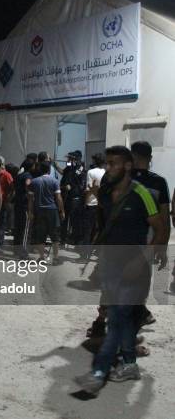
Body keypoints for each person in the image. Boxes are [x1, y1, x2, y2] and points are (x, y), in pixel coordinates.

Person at [75, 146, 167, 395]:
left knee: (117, 319)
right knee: (121, 318)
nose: (108, 168)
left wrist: (144, 259)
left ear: (128, 166)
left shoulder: (143, 193)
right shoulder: (106, 191)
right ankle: (129, 365)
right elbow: (104, 219)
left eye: (113, 163)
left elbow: (160, 228)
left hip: (134, 265)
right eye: (107, 163)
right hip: (111, 263)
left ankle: (98, 372)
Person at [27, 161, 65, 265]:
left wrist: (30, 212)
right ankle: (56, 258)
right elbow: (58, 198)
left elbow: (30, 199)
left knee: (40, 235)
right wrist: (62, 211)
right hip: (52, 210)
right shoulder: (54, 181)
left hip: (38, 210)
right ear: (49, 170)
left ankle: (42, 257)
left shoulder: (33, 182)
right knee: (54, 235)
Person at [81, 153, 106, 260]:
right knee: (99, 230)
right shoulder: (106, 173)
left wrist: (85, 203)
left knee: (87, 230)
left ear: (95, 161)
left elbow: (88, 189)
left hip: (91, 204)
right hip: (102, 205)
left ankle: (85, 255)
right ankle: (99, 254)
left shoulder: (91, 172)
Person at [60, 150, 86, 245]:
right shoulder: (70, 167)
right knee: (64, 219)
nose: (69, 160)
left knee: (74, 220)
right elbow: (64, 171)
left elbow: (75, 178)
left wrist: (71, 185)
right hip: (67, 196)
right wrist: (54, 164)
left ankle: (75, 240)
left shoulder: (80, 168)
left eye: (71, 158)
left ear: (76, 159)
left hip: (75, 198)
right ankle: (63, 239)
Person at [13, 159, 34, 258]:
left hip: (17, 204)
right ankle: (24, 253)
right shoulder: (28, 176)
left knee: (18, 228)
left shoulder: (19, 175)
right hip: (24, 206)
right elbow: (28, 186)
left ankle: (16, 250)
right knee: (25, 230)